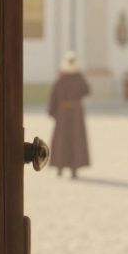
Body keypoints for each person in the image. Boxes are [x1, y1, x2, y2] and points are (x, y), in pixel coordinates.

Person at [47, 51, 91, 179]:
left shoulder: (61, 79)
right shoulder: (77, 78)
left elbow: (53, 97)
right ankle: (70, 168)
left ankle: (64, 168)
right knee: (70, 140)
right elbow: (86, 91)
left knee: (66, 140)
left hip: (64, 113)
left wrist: (53, 111)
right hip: (74, 114)